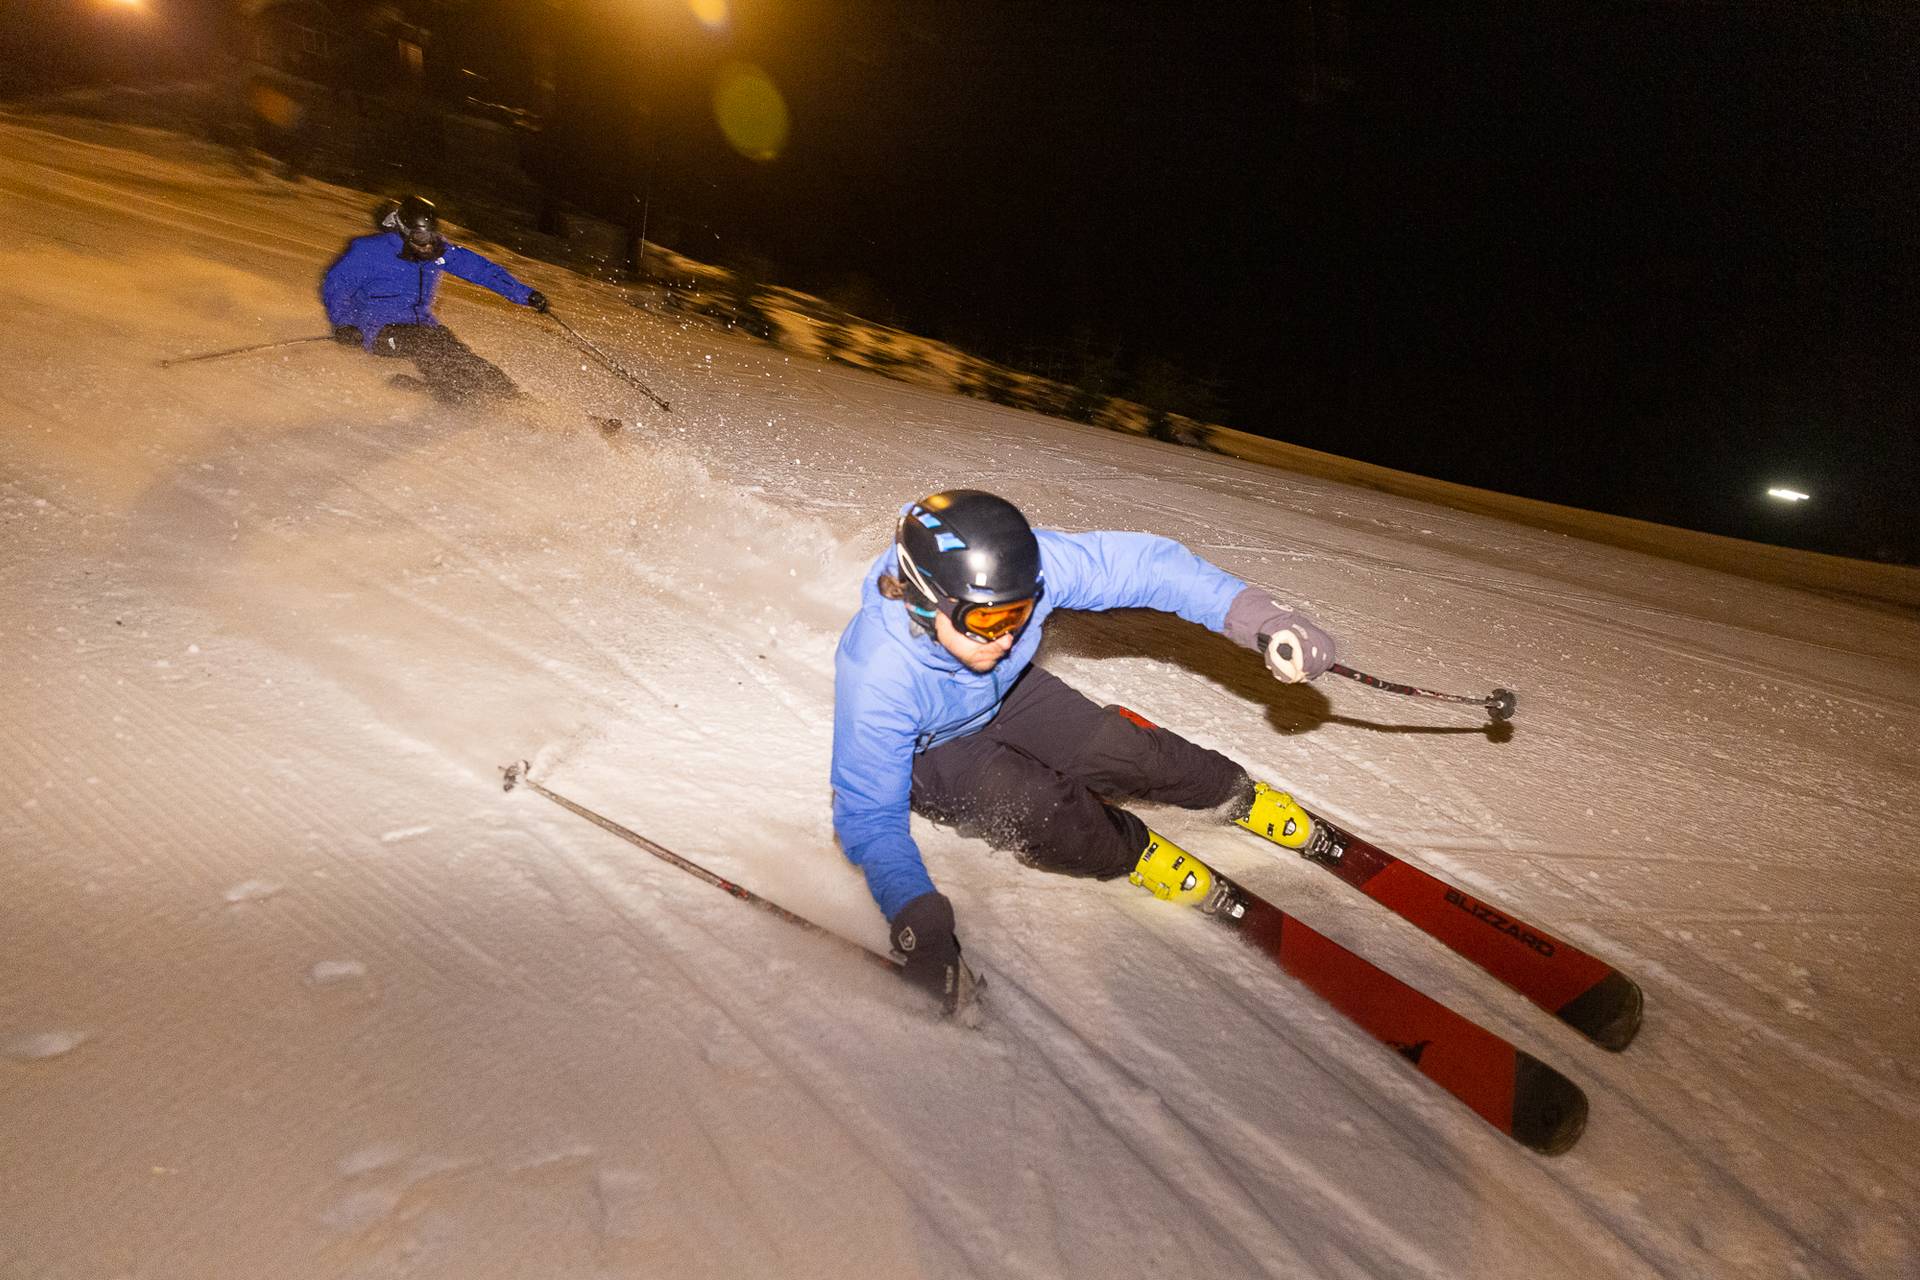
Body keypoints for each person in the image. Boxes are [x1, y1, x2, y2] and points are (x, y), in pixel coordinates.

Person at [831, 489, 1338, 1017]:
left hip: (1003, 693)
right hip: (932, 750)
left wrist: (1262, 618)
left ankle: (1230, 792)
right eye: (985, 622)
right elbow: (868, 815)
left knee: (1125, 754)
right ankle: (1128, 850)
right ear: (923, 599)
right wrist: (918, 918)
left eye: (1019, 613)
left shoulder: (1022, 577)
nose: (1006, 639)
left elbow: (1147, 567)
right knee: (1044, 812)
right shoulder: (879, 674)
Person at [321, 196, 550, 404]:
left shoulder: (437, 252)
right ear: (403, 230)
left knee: (458, 351)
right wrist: (344, 324)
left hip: (423, 325)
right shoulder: (370, 251)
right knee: (427, 345)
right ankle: (459, 398)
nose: (428, 245)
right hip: (376, 329)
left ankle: (513, 398)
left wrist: (526, 294)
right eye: (421, 238)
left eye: (432, 236)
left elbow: (482, 270)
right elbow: (336, 285)